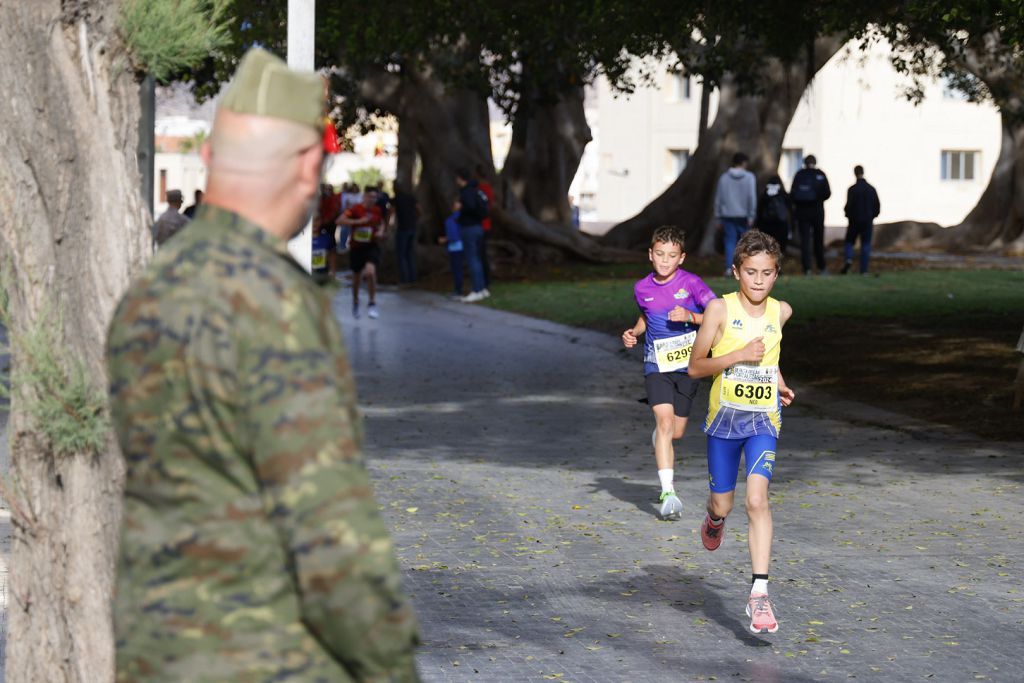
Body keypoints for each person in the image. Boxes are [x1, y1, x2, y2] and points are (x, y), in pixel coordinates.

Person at [104, 48, 419, 680]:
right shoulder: (271, 303)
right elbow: (328, 529)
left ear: (212, 158)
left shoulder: (150, 289)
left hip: (155, 652)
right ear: (309, 165)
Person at [687, 230, 795, 635]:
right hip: (724, 422)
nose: (758, 281)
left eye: (767, 273)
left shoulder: (781, 312)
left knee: (757, 499)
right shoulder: (718, 309)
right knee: (724, 504)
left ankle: (760, 594)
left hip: (763, 421)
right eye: (750, 272)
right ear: (736, 272)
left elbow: (770, 358)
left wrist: (780, 384)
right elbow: (696, 367)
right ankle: (714, 519)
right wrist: (735, 356)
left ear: (776, 275)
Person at [622, 226, 716, 520]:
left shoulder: (692, 284)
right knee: (664, 423)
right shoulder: (642, 288)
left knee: (675, 431)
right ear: (650, 254)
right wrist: (634, 332)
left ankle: (660, 438)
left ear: (682, 258)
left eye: (671, 256)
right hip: (657, 366)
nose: (664, 261)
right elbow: (645, 315)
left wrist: (691, 316)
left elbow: (718, 314)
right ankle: (668, 492)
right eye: (659, 254)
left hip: (688, 368)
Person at [338, 189, 385, 318]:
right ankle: (356, 301)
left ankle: (372, 303)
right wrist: (357, 222)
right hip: (356, 247)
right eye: (370, 196)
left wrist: (381, 231)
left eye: (375, 197)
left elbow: (381, 223)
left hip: (371, 245)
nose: (372, 199)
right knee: (357, 278)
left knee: (370, 272)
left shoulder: (377, 210)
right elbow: (340, 220)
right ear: (364, 197)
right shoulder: (355, 209)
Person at [713, 152, 757, 276]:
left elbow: (719, 198)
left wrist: (718, 216)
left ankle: (729, 268)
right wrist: (751, 214)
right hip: (744, 215)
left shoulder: (724, 178)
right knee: (745, 243)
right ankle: (746, 268)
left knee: (729, 242)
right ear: (744, 163)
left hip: (728, 214)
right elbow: (751, 197)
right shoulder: (749, 177)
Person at [790, 154, 832, 275]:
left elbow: (793, 194)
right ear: (815, 162)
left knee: (805, 241)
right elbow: (828, 193)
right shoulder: (820, 174)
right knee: (818, 239)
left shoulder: (799, 175)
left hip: (802, 213)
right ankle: (821, 267)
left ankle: (807, 268)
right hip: (817, 211)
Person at [455, 167, 490, 302]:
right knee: (477, 258)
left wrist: (461, 212)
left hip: (469, 227)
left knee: (472, 259)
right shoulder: (476, 190)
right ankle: (482, 288)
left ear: (459, 178)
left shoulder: (467, 192)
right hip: (478, 227)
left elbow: (469, 207)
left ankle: (476, 289)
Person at [842, 165, 881, 275]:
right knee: (866, 244)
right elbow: (877, 206)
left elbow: (848, 206)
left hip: (854, 220)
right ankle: (864, 270)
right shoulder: (871, 189)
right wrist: (872, 216)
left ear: (854, 173)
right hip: (867, 220)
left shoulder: (852, 189)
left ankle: (849, 259)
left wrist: (848, 215)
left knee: (849, 242)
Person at [756, 175, 792, 253]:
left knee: (766, 249)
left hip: (765, 226)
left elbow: (759, 212)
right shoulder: (784, 195)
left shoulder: (764, 196)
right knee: (779, 250)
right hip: (781, 226)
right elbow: (790, 211)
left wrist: (757, 226)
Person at [393, 181, 419, 285]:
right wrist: (415, 218)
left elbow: (392, 213)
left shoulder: (396, 199)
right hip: (412, 227)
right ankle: (412, 278)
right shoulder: (410, 197)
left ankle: (405, 279)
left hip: (403, 229)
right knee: (410, 253)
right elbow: (419, 209)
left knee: (402, 255)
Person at [474, 164, 495, 291]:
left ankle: (484, 281)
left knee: (480, 255)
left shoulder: (479, 189)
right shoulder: (488, 189)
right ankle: (485, 280)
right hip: (486, 224)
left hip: (480, 225)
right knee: (482, 254)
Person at [440, 199, 465, 298]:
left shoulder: (451, 219)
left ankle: (458, 290)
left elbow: (453, 236)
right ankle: (458, 289)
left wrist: (445, 239)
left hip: (456, 247)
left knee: (456, 269)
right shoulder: (463, 217)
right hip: (462, 245)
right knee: (458, 268)